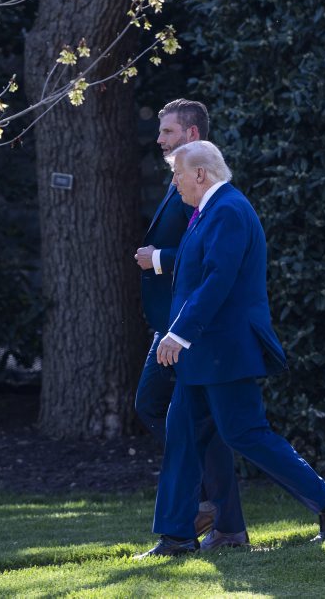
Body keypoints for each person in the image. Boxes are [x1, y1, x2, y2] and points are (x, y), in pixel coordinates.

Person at [136, 141, 325, 558]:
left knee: (245, 433)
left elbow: (217, 280)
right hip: (203, 354)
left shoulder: (228, 209)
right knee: (182, 437)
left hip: (223, 350)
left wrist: (179, 333)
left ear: (200, 174)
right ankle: (176, 537)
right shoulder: (210, 210)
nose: (175, 182)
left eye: (178, 174)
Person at [133, 100, 246, 547]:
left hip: (185, 327)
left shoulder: (205, 187)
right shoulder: (180, 178)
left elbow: (212, 255)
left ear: (192, 134)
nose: (159, 139)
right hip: (173, 322)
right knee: (199, 422)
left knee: (159, 407)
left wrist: (159, 259)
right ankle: (225, 522)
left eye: (168, 132)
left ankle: (204, 508)